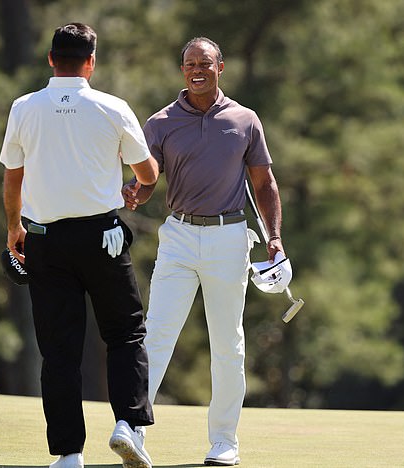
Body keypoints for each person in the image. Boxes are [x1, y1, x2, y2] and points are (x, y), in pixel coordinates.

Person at [0, 23, 158, 468]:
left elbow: (14, 177)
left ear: (51, 59)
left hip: (44, 241)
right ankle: (128, 425)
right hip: (102, 238)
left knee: (59, 351)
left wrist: (14, 227)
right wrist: (134, 184)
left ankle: (69, 455)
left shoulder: (23, 108)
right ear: (91, 62)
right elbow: (147, 174)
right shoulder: (113, 107)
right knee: (125, 334)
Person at [122, 37, 285, 466]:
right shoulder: (159, 123)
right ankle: (133, 429)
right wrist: (136, 193)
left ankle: (224, 442)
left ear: (220, 67)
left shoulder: (244, 120)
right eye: (189, 63)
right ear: (182, 71)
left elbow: (264, 183)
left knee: (227, 343)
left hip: (230, 237)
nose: (197, 69)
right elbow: (148, 178)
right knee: (156, 332)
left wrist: (275, 237)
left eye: (205, 63)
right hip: (178, 236)